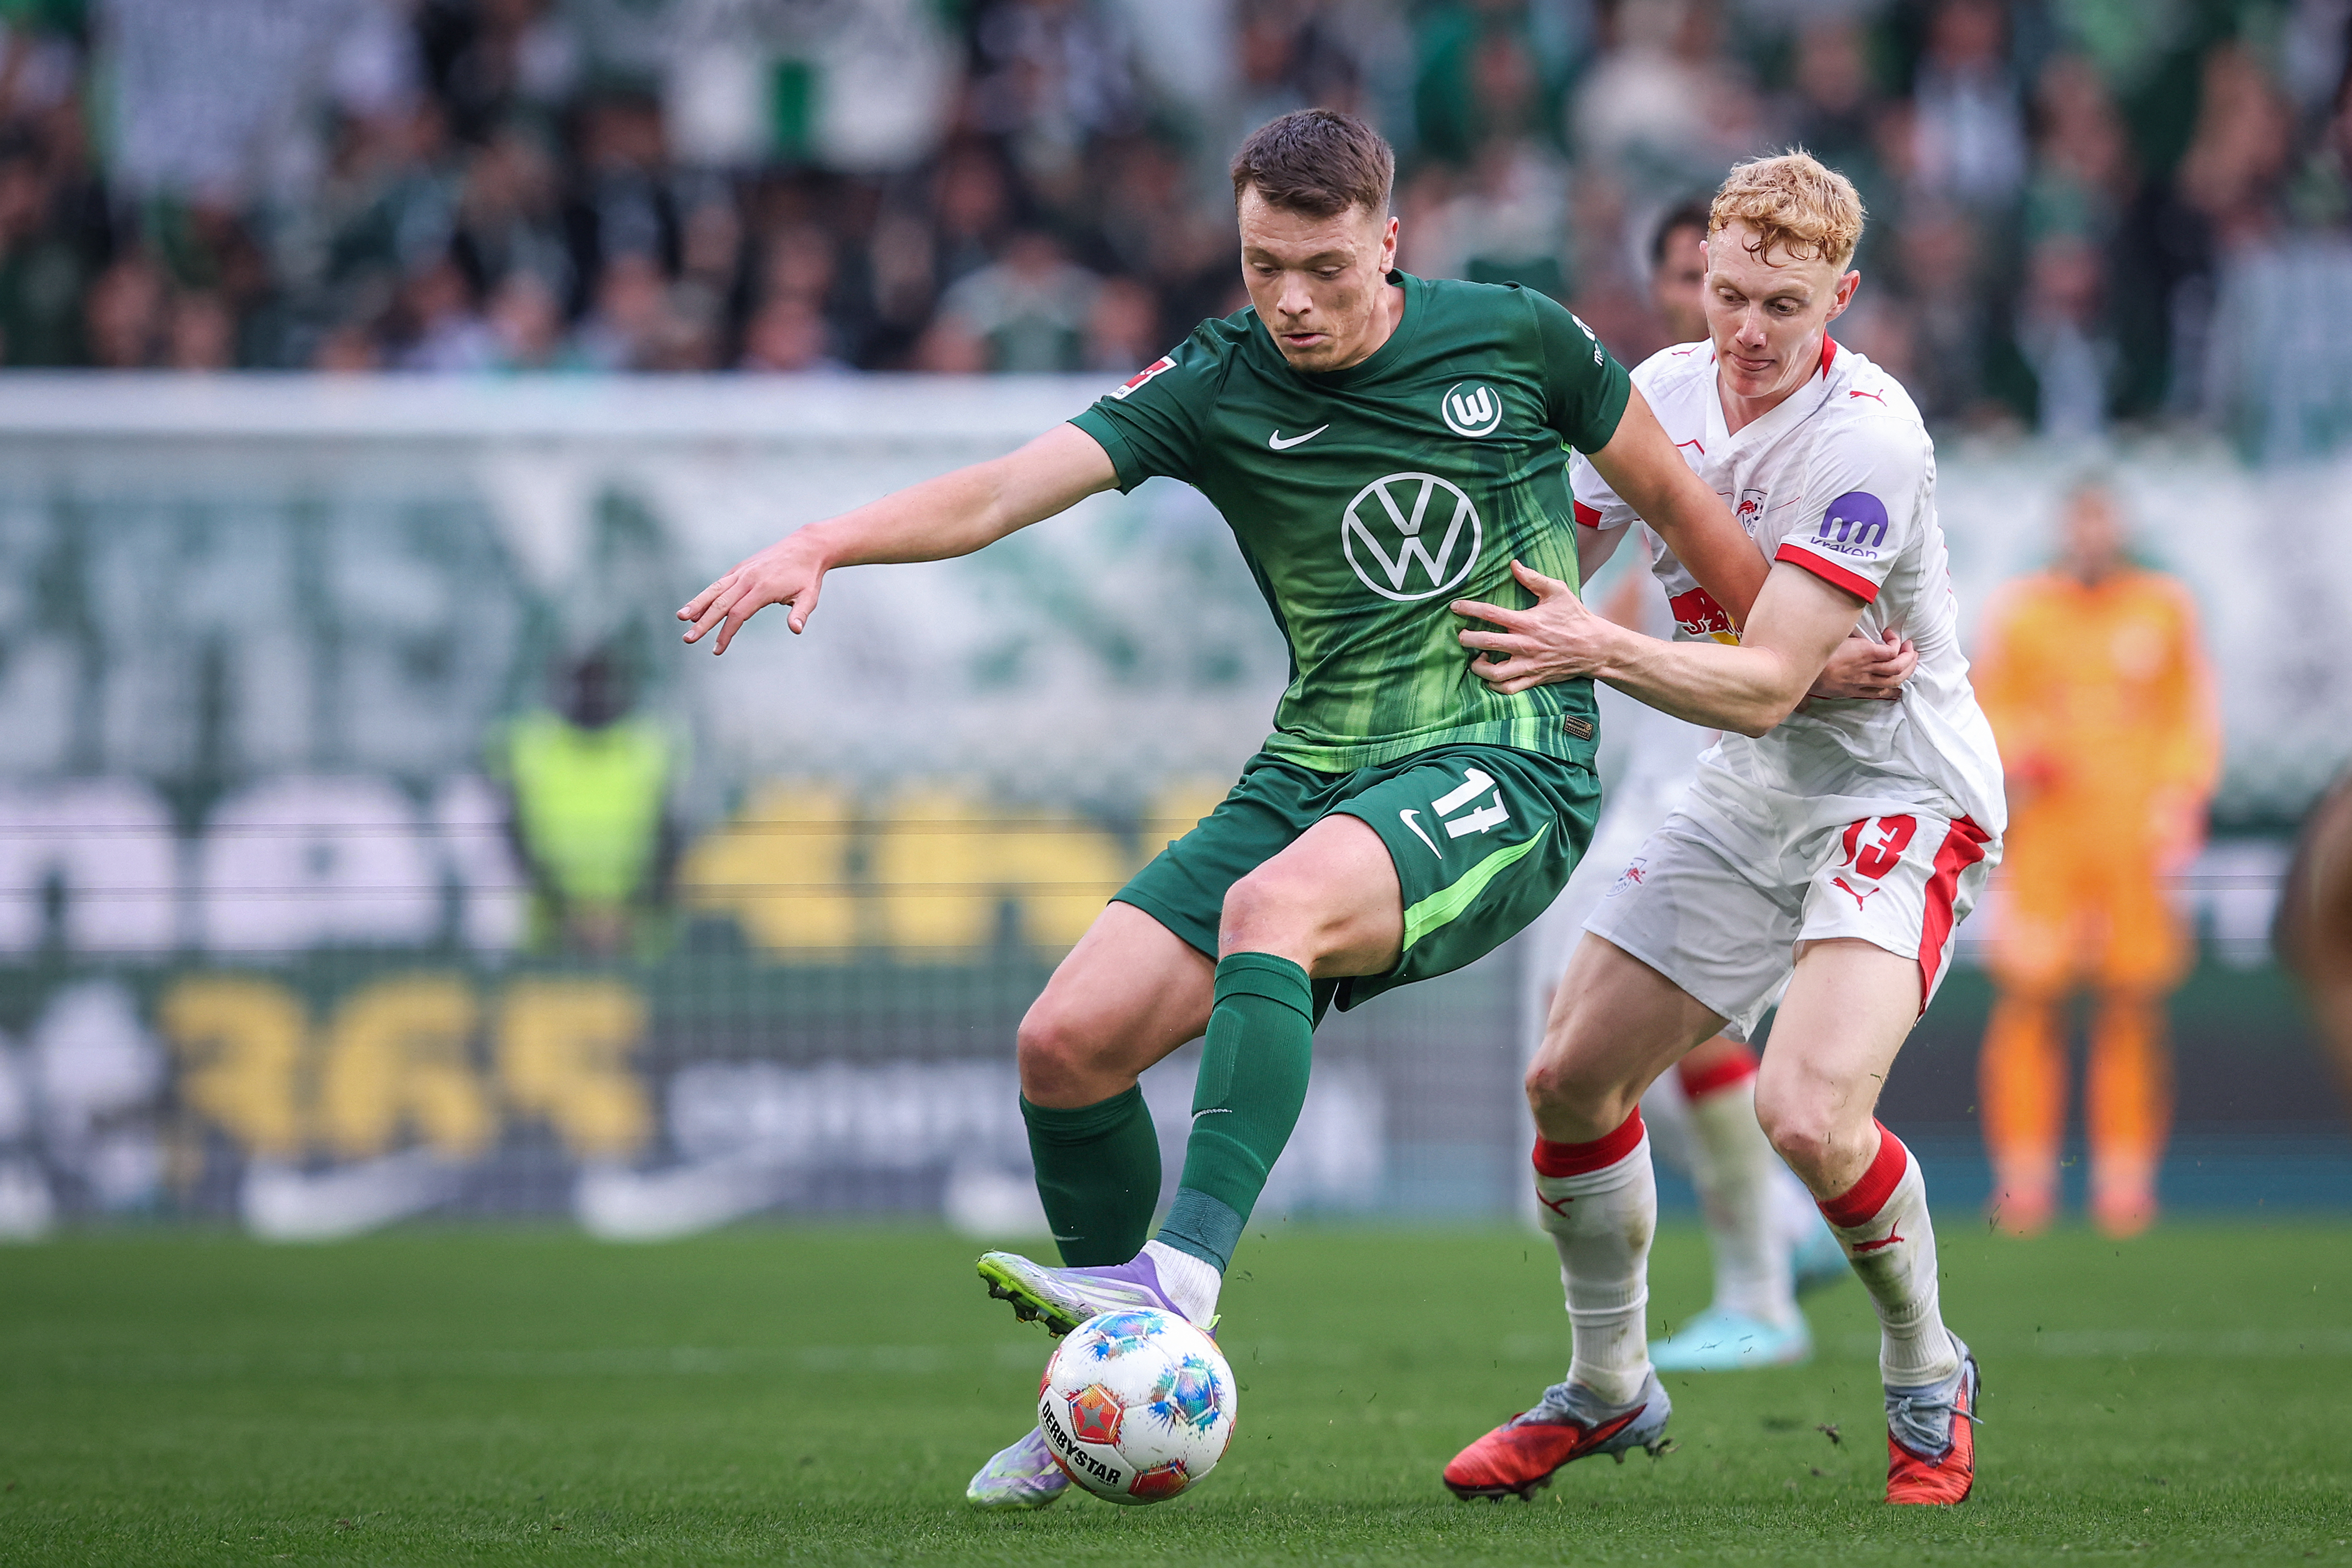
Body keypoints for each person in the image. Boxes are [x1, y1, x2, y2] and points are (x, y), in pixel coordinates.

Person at [679, 111, 1905, 1511]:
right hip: (1312, 767)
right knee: (1064, 1046)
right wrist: (824, 538)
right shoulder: (1216, 377)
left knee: (1277, 909)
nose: (1294, 299)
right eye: (1265, 265)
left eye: (1323, 267)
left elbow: (1683, 508)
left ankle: (1180, 1282)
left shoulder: (1518, 339)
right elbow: (1012, 488)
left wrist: (1794, 658)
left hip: (1508, 756)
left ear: (1389, 243)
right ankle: (1101, 1382)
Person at [1437, 151, 2006, 1507]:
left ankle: (1926, 1367)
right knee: (1569, 1078)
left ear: (1841, 299)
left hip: (1894, 791)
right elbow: (1547, 565)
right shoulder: (1660, 393)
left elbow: (1764, 685)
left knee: (1804, 1112)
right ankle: (1607, 1386)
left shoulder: (1869, 438)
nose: (1746, 332)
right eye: (1726, 293)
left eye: (1782, 306)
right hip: (1748, 792)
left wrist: (1592, 647)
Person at [1514, 197, 1890, 1377]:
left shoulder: (1840, 432)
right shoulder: (1651, 409)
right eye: (1701, 285)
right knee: (1579, 1035)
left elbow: (1820, 624)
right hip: (1665, 764)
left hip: (1752, 777)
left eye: (1763, 295)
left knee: (1641, 1035)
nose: (1725, 314)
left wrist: (1805, 663)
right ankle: (1768, 1243)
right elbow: (1581, 557)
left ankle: (1759, 1282)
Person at [1971, 484, 2218, 1237]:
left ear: (2120, 529)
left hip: (2131, 836)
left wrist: (2181, 797)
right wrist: (2023, 747)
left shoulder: (2163, 608)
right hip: (2048, 834)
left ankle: (2125, 1178)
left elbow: (2188, 715)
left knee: (2131, 1000)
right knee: (2030, 997)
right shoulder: (2024, 612)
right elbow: (1986, 706)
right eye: (2081, 522)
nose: (2092, 536)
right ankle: (2023, 1177)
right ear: (2064, 530)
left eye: (2103, 521)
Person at [496, 648, 680, 957]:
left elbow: (671, 843)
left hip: (635, 931)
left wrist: (626, 912)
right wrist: (567, 911)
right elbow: (512, 841)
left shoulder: (651, 746)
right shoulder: (529, 745)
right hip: (547, 927)